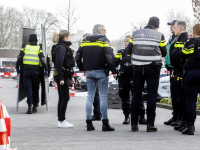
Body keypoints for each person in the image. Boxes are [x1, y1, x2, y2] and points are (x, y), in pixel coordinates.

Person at [126, 16, 167, 132]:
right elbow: (164, 52)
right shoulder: (159, 35)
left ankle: (134, 124)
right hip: (153, 69)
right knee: (151, 96)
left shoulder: (136, 34)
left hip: (138, 68)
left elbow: (128, 51)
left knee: (136, 95)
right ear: (156, 26)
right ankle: (150, 125)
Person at [76, 24, 117, 131]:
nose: (105, 31)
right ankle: (105, 123)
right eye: (104, 30)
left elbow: (77, 56)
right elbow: (109, 57)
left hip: (89, 72)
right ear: (100, 30)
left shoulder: (85, 41)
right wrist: (114, 71)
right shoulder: (104, 40)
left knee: (90, 97)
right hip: (101, 71)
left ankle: (89, 123)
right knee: (103, 97)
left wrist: (82, 68)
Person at [115, 35, 147, 125]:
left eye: (128, 41)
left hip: (135, 77)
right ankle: (126, 116)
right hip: (124, 77)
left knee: (138, 97)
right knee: (124, 97)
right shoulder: (120, 52)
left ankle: (142, 117)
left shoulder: (137, 52)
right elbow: (115, 62)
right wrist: (115, 72)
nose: (126, 43)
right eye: (125, 41)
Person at [15, 34, 48, 114]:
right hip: (35, 72)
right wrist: (46, 69)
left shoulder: (25, 48)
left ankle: (29, 106)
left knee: (28, 89)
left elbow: (19, 58)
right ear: (36, 41)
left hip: (26, 71)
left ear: (29, 41)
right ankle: (35, 106)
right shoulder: (38, 48)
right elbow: (43, 59)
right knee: (35, 89)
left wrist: (17, 67)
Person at [178, 23, 200, 135]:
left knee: (191, 100)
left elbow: (181, 54)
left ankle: (190, 126)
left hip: (192, 73)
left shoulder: (191, 43)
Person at [52, 30, 75, 128]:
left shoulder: (61, 47)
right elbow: (59, 63)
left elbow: (66, 63)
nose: (70, 38)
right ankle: (61, 120)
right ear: (65, 37)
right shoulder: (61, 47)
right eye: (69, 37)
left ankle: (61, 120)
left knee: (62, 97)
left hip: (64, 75)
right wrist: (61, 78)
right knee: (65, 97)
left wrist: (70, 77)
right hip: (61, 75)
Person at [168, 21, 188, 131]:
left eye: (174, 28)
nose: (172, 29)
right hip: (175, 69)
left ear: (180, 28)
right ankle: (177, 116)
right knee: (175, 96)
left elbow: (181, 55)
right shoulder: (176, 38)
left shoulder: (184, 38)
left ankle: (182, 118)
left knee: (181, 97)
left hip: (180, 70)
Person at [83, 33, 101, 121]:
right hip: (96, 71)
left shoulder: (89, 48)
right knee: (95, 94)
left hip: (92, 72)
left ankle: (96, 114)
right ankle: (97, 114)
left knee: (93, 95)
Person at [164, 20, 179, 125]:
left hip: (177, 68)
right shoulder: (171, 37)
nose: (171, 27)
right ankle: (175, 115)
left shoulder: (179, 38)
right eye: (171, 26)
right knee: (173, 94)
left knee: (178, 95)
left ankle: (179, 117)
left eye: (173, 26)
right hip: (171, 68)